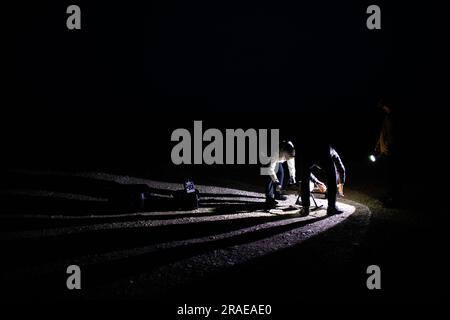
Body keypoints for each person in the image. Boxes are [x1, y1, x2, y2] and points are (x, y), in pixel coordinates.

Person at [299, 141, 344, 217]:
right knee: (332, 177)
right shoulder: (329, 154)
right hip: (321, 152)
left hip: (312, 151)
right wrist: (341, 184)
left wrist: (340, 184)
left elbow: (341, 170)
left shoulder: (333, 153)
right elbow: (342, 169)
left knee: (305, 177)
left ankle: (305, 208)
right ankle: (331, 207)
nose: (319, 167)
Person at [265, 141, 297, 207]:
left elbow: (291, 166)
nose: (286, 160)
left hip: (279, 157)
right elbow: (270, 169)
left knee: (281, 172)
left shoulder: (290, 151)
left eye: (288, 159)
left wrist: (292, 177)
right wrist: (276, 182)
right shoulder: (275, 153)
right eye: (286, 158)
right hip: (268, 156)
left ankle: (277, 194)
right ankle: (269, 197)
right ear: (283, 152)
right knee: (269, 176)